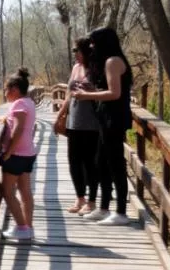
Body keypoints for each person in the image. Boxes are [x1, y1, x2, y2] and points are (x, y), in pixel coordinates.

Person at [71, 26, 133, 226]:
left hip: (113, 120)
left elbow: (115, 94)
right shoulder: (108, 62)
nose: (91, 47)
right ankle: (104, 208)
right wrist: (93, 89)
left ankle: (121, 212)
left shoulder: (112, 61)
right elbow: (108, 90)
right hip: (105, 119)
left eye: (93, 43)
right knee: (101, 163)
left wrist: (86, 95)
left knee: (116, 165)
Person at [53, 37, 100, 215]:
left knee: (90, 163)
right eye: (74, 52)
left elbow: (106, 93)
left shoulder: (97, 69)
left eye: (78, 52)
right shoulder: (75, 68)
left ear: (87, 52)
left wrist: (90, 92)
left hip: (92, 123)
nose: (76, 55)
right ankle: (80, 197)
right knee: (74, 161)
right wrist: (60, 115)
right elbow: (68, 94)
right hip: (74, 121)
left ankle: (92, 201)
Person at [0, 68, 38, 240]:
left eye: (6, 89)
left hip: (16, 155)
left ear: (14, 89)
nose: (5, 93)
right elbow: (16, 122)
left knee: (7, 192)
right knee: (25, 191)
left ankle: (22, 227)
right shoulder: (28, 102)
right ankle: (28, 227)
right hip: (28, 153)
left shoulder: (19, 104)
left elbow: (18, 129)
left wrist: (8, 152)